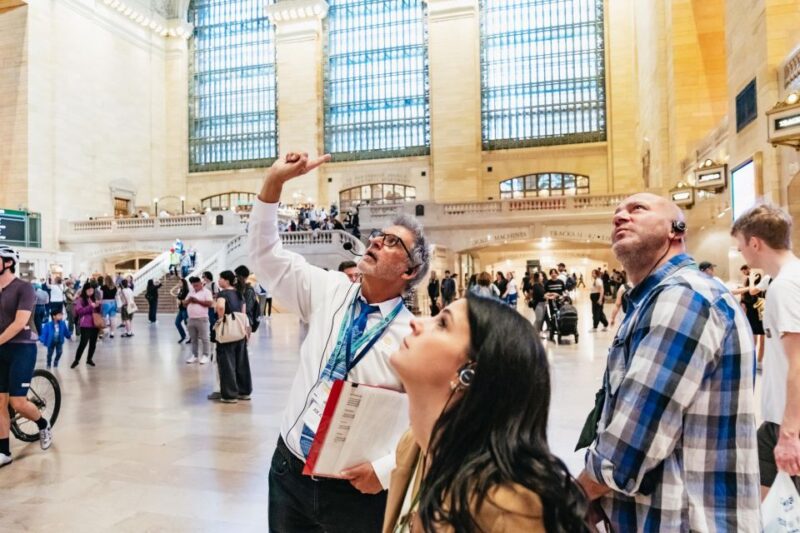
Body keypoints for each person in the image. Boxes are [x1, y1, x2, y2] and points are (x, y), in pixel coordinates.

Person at [249, 152, 430, 532]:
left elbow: (430, 424)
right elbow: (267, 256)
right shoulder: (328, 290)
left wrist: (383, 471)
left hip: (353, 488)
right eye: (378, 235)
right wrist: (273, 183)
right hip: (289, 469)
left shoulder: (413, 337)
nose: (377, 241)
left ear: (409, 271)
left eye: (392, 242)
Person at [577, 193, 759, 531]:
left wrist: (577, 494)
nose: (620, 216)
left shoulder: (684, 296)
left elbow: (634, 440)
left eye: (638, 209)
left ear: (677, 229)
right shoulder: (657, 299)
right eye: (617, 213)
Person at [384, 294, 589, 532]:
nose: (417, 322)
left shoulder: (510, 506)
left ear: (471, 373)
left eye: (442, 323)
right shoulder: (412, 447)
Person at [731, 204, 800, 500]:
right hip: (778, 419)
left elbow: (798, 363)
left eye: (741, 247)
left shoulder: (785, 286)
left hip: (787, 424)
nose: (741, 253)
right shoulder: (786, 279)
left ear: (755, 243)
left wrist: (789, 434)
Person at [0, 246, 54, 467]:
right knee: (0, 402)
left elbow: (20, 322)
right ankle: (4, 452)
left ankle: (42, 424)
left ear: (8, 262)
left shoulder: (24, 288)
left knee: (18, 402)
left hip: (21, 347)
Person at [213, 270, 251, 403]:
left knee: (227, 363)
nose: (219, 281)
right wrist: (247, 331)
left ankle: (230, 395)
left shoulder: (223, 294)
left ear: (226, 281)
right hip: (240, 331)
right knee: (242, 363)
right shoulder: (239, 294)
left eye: (220, 278)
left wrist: (220, 318)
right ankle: (244, 391)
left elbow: (220, 306)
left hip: (227, 332)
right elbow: (244, 313)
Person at [183, 276, 213, 365]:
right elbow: (184, 304)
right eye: (193, 285)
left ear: (201, 284)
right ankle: (194, 355)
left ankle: (206, 355)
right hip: (191, 318)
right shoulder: (191, 292)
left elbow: (209, 303)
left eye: (196, 285)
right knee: (193, 338)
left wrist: (197, 301)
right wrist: (189, 300)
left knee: (205, 338)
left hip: (202, 318)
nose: (195, 287)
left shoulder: (207, 292)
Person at [72, 283, 102, 368]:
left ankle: (89, 359)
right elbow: (79, 311)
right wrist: (90, 307)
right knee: (83, 343)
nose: (91, 292)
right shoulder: (80, 299)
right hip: (85, 324)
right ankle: (77, 360)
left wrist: (99, 305)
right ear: (85, 290)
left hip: (95, 324)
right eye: (89, 290)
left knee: (93, 343)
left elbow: (98, 311)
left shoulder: (93, 298)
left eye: (92, 290)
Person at [171, 278, 191, 344]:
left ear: (184, 283)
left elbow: (187, 300)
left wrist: (181, 301)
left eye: (180, 282)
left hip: (185, 309)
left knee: (187, 324)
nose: (179, 284)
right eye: (178, 282)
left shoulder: (187, 291)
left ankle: (191, 337)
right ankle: (183, 336)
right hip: (181, 309)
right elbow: (172, 292)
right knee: (177, 323)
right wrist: (176, 287)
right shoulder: (180, 290)